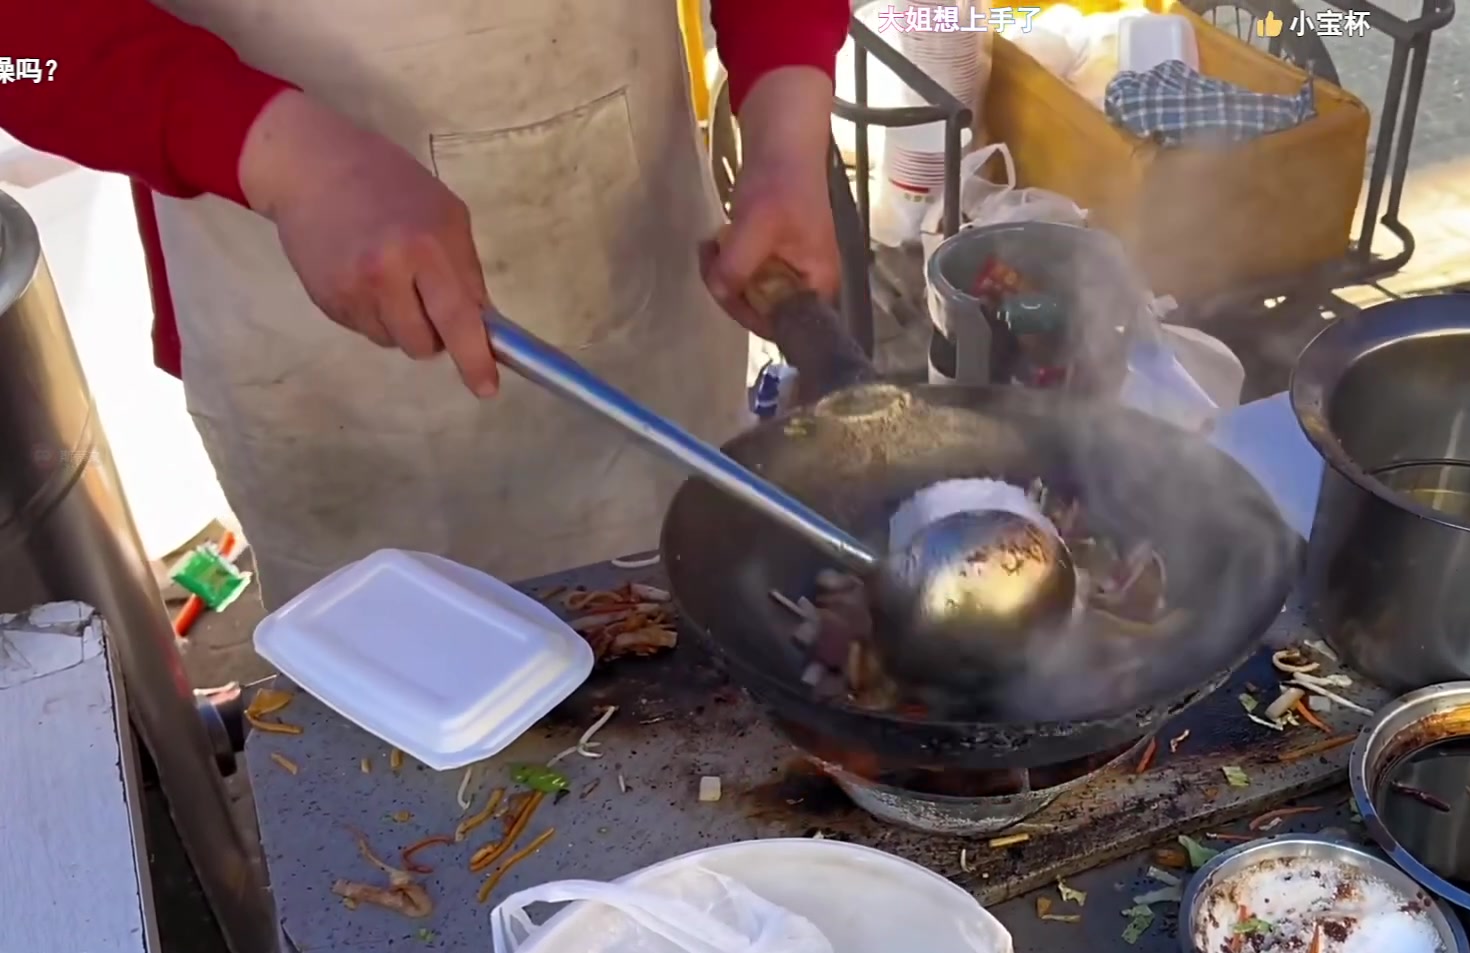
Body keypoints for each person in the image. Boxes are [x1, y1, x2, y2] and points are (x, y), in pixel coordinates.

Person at [4, 0, 850, 608]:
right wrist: (278, 156)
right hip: (299, 313)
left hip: (625, 244)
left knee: (683, 668)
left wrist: (786, 125)